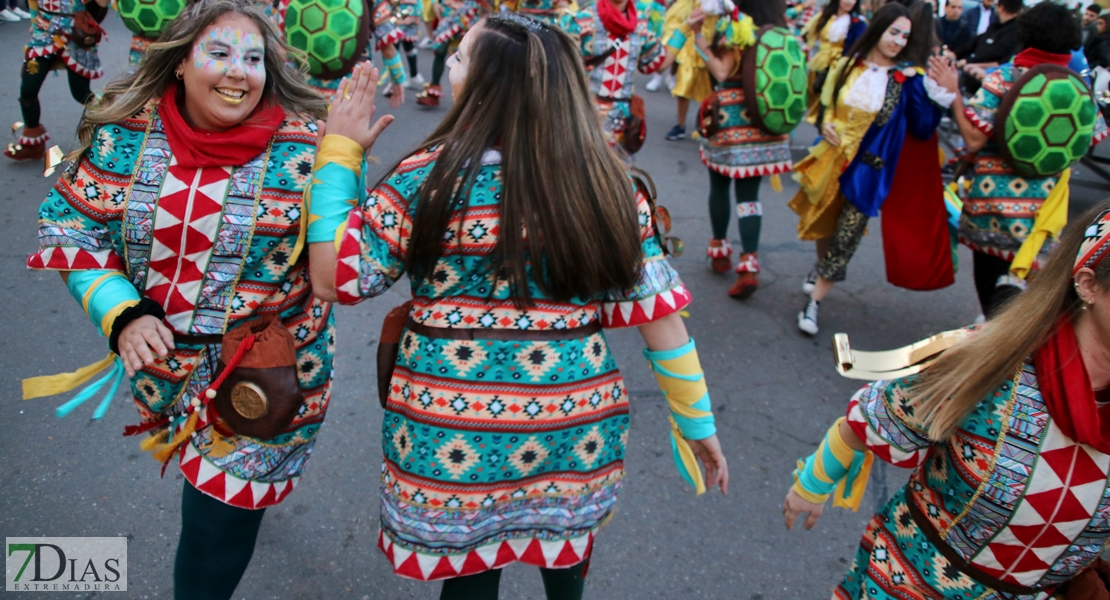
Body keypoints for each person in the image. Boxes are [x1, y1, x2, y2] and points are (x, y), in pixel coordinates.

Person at [306, 13, 728, 597]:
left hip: (453, 429)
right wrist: (697, 422)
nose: (450, 66)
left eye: (458, 59)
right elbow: (663, 324)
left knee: (471, 576)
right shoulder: (608, 182)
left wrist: (339, 154)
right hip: (573, 422)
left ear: (482, 87)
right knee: (565, 556)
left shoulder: (426, 178)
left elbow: (333, 277)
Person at [24, 1, 332, 598]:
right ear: (180, 64)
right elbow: (68, 226)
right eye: (219, 54)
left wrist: (344, 161)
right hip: (163, 374)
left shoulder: (307, 149)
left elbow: (343, 271)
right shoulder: (125, 134)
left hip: (263, 380)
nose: (238, 72)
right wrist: (122, 312)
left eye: (253, 59)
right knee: (214, 506)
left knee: (213, 527)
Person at [783, 200, 1110, 600]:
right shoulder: (989, 362)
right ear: (1089, 285)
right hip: (912, 585)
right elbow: (873, 418)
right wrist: (812, 485)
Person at [789, 1, 954, 335]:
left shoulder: (908, 79)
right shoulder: (849, 64)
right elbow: (826, 105)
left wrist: (940, 94)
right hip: (831, 160)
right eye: (893, 32)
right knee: (824, 223)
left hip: (869, 171)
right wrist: (826, 124)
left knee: (847, 235)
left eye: (905, 36)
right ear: (879, 28)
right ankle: (822, 267)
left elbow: (922, 129)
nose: (898, 40)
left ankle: (815, 302)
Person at [944, 2, 1107, 319]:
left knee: (990, 287)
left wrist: (953, 96)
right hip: (1043, 211)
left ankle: (992, 342)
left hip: (991, 206)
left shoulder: (1004, 78)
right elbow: (1091, 138)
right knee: (1019, 293)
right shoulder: (1077, 86)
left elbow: (974, 138)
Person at [690, 1, 792, 298]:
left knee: (719, 186)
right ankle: (749, 262)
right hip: (764, 121)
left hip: (728, 119)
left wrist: (698, 36)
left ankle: (720, 249)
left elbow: (721, 71)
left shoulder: (734, 28)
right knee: (749, 196)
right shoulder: (780, 30)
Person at [566, 0, 686, 156]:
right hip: (584, 116)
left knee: (618, 177)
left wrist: (685, 31)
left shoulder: (641, 22)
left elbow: (657, 63)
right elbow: (562, 68)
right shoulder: (583, 19)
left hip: (622, 124)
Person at [5, 0, 108, 160]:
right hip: (44, 33)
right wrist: (34, 23)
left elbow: (98, 9)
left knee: (81, 93)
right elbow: (33, 4)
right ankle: (32, 143)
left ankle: (112, 124)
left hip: (76, 33)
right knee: (28, 90)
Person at [801, 0, 866, 123]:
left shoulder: (856, 23)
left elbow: (858, 46)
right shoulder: (825, 16)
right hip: (820, 61)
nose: (849, 2)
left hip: (838, 65)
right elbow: (808, 33)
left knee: (828, 99)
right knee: (812, 91)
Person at [660, 0, 715, 141]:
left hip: (713, 44)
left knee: (712, 91)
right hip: (691, 42)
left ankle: (708, 127)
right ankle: (680, 125)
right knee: (683, 85)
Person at [415, 0, 485, 106]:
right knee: (440, 51)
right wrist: (435, 2)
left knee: (470, 54)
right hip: (447, 12)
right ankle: (434, 89)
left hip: (467, 12)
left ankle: (473, 96)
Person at [953, 0, 1022, 73]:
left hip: (986, 75)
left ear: (1001, 8)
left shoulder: (1014, 33)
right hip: (970, 65)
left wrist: (969, 63)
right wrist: (955, 53)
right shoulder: (994, 27)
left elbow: (999, 60)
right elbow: (975, 42)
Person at [395, 0, 428, 91]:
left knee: (408, 45)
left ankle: (413, 74)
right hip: (397, 10)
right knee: (395, 46)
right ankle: (397, 79)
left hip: (411, 11)